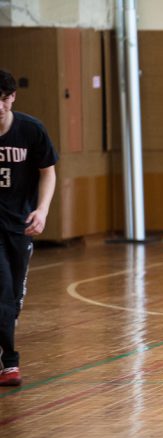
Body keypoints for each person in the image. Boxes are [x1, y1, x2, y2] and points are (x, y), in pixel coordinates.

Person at [0, 69, 57, 387]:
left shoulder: (31, 129)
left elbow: (48, 172)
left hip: (19, 224)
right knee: (2, 291)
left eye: (4, 99)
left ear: (13, 98)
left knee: (13, 299)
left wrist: (42, 210)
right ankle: (9, 362)